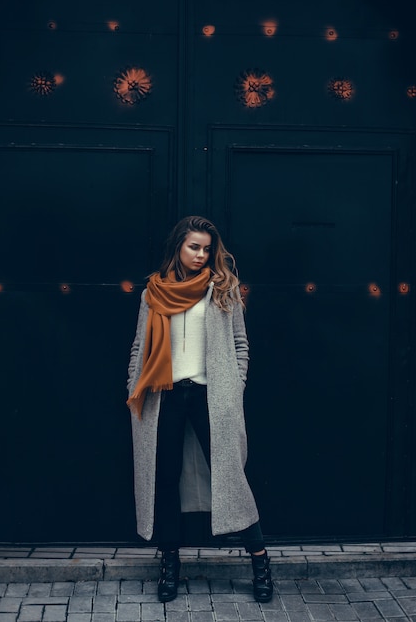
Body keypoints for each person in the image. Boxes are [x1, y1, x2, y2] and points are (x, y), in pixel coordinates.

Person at [126, 215, 273, 603]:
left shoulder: (222, 290)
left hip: (212, 397)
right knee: (166, 481)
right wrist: (132, 390)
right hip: (164, 396)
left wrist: (235, 387)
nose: (201, 255)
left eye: (207, 248)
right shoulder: (152, 294)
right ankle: (170, 564)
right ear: (178, 245)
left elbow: (241, 345)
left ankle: (260, 560)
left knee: (232, 479)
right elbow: (139, 350)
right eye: (194, 246)